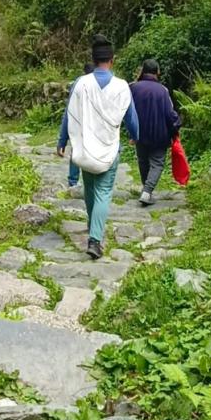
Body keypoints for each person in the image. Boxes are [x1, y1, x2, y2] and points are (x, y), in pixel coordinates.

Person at [58, 35, 139, 260]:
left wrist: (62, 141)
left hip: (85, 148)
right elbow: (131, 117)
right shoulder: (122, 86)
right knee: (103, 192)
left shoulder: (81, 83)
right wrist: (135, 136)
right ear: (112, 60)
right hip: (108, 149)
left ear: (93, 60)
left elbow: (69, 114)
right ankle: (95, 239)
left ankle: (92, 224)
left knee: (90, 189)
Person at [130, 58, 181, 207]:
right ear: (157, 71)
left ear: (143, 71)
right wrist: (175, 128)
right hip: (159, 133)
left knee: (143, 161)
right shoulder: (162, 90)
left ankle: (146, 190)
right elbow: (170, 114)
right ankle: (147, 192)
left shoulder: (133, 87)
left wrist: (131, 131)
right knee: (157, 163)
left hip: (139, 132)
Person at [58, 63, 94, 188]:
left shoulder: (78, 83)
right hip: (96, 128)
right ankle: (91, 182)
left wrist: (62, 141)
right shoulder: (104, 83)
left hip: (79, 124)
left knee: (76, 150)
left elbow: (69, 111)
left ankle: (73, 181)